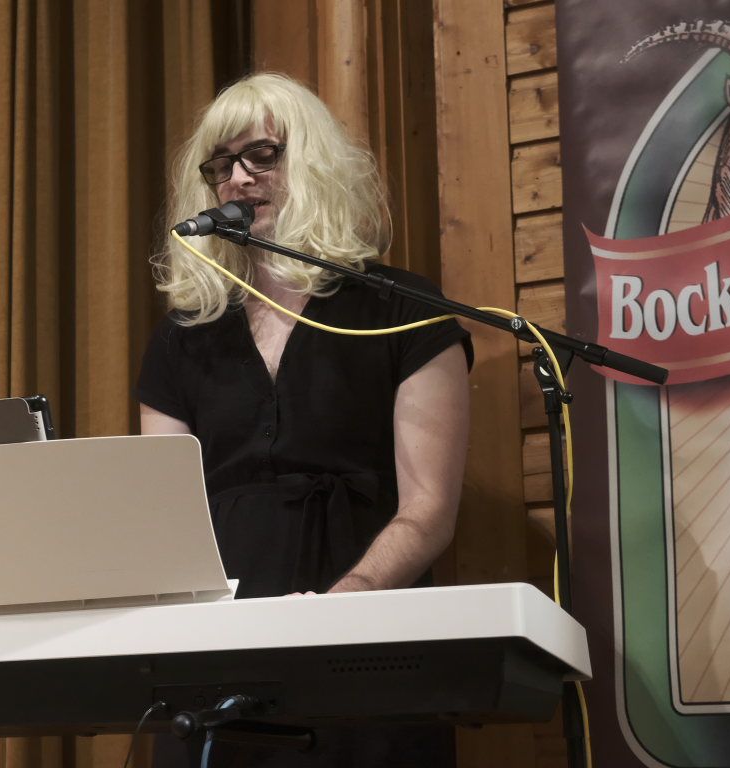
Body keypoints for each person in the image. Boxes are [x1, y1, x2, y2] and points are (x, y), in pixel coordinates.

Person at [137, 72, 472, 767]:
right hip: (217, 650)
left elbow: (429, 509)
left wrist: (344, 604)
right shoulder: (183, 336)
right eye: (221, 165)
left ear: (313, 161)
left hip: (365, 644)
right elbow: (164, 523)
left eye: (261, 155)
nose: (238, 178)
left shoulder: (403, 310)